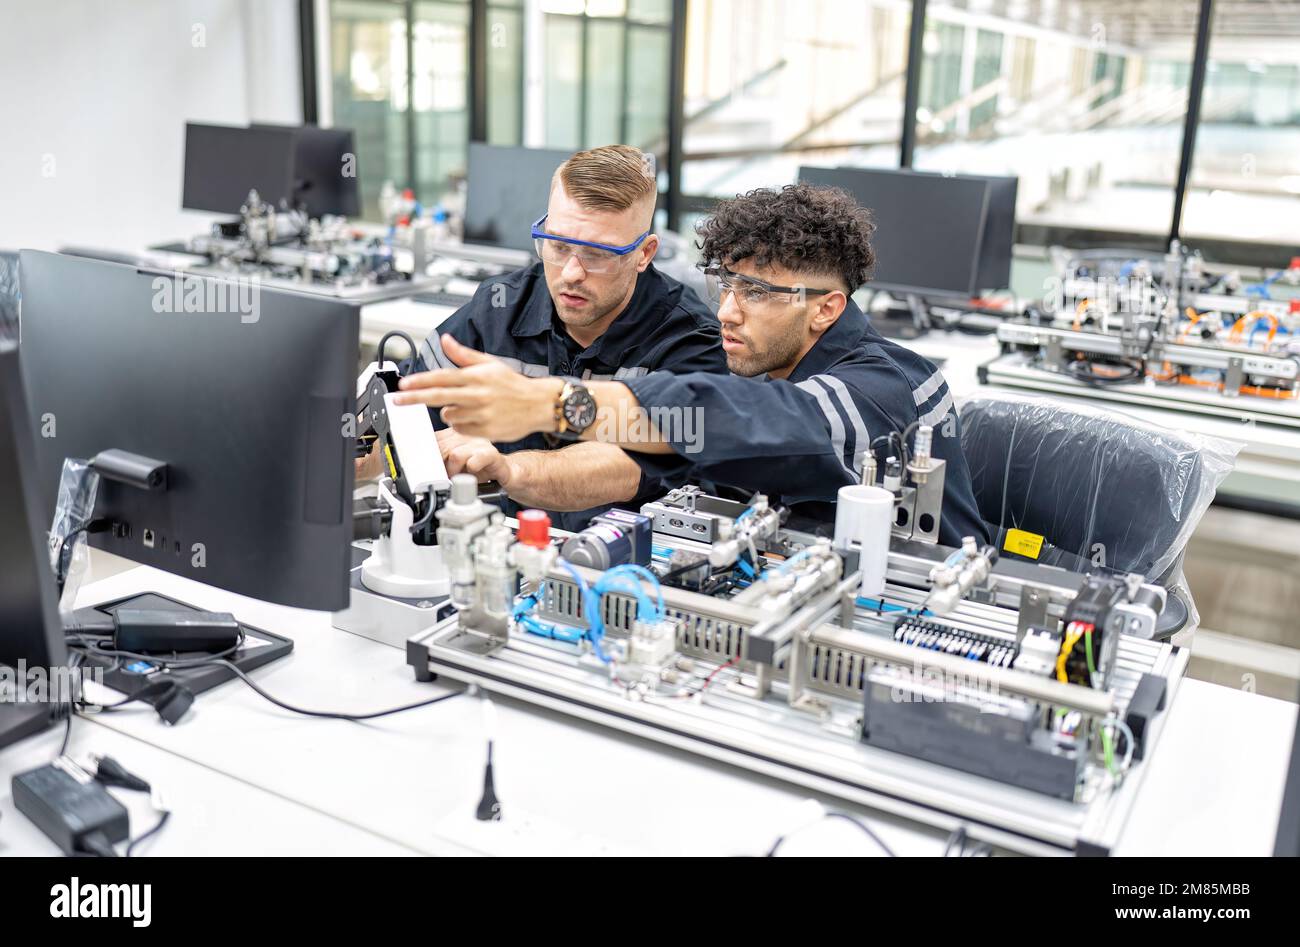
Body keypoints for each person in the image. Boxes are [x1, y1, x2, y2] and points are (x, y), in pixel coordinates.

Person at [393, 183, 988, 547]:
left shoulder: (890, 388)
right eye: (726, 284)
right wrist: (512, 470)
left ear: (826, 309)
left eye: (755, 292)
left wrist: (554, 403)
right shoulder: (751, 372)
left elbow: (764, 422)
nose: (726, 311)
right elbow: (651, 467)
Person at [360, 145, 725, 531]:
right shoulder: (499, 310)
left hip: (622, 566)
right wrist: (362, 454)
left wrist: (508, 469)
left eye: (597, 255)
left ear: (644, 254)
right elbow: (405, 412)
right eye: (558, 245)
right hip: (503, 555)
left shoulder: (687, 338)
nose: (571, 273)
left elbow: (631, 467)